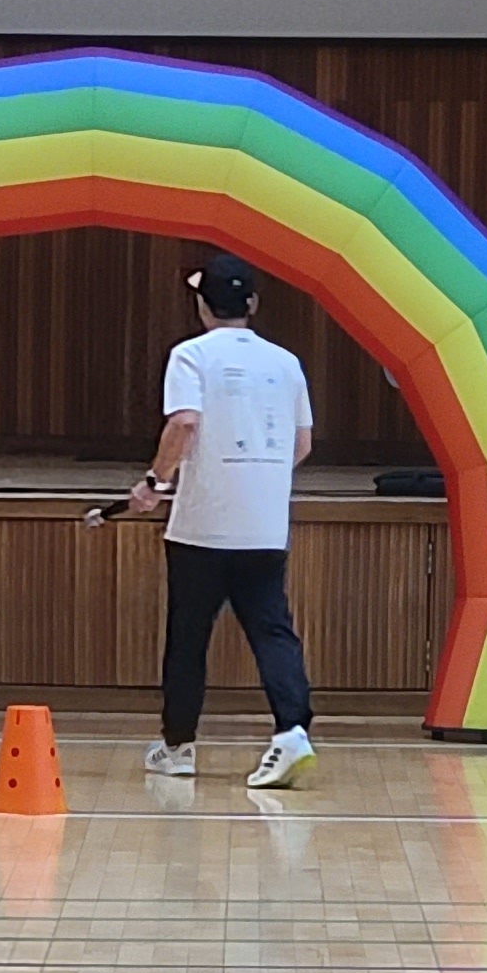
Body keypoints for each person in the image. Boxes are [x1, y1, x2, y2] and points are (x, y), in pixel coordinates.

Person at [128, 253, 315, 790]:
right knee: (272, 629)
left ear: (202, 305)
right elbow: (302, 443)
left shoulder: (189, 356)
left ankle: (178, 746)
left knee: (188, 635)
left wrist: (154, 482)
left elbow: (184, 423)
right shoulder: (286, 362)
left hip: (202, 527)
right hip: (264, 526)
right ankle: (292, 731)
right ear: (252, 304)